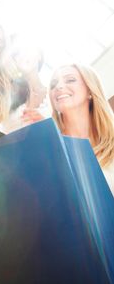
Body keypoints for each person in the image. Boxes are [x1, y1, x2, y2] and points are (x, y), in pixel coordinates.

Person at [49, 63, 114, 196]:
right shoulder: (48, 149)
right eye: (53, 84)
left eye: (70, 80)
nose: (59, 87)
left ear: (90, 90)